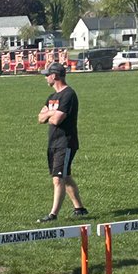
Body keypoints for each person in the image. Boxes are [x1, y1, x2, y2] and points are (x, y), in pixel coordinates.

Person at [37, 63, 87, 224]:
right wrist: (52, 114)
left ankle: (53, 214)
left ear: (55, 76)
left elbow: (57, 119)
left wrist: (50, 114)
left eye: (47, 75)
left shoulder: (68, 95)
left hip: (66, 142)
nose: (45, 78)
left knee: (58, 178)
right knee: (65, 175)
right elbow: (40, 118)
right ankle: (80, 208)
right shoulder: (51, 97)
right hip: (53, 142)